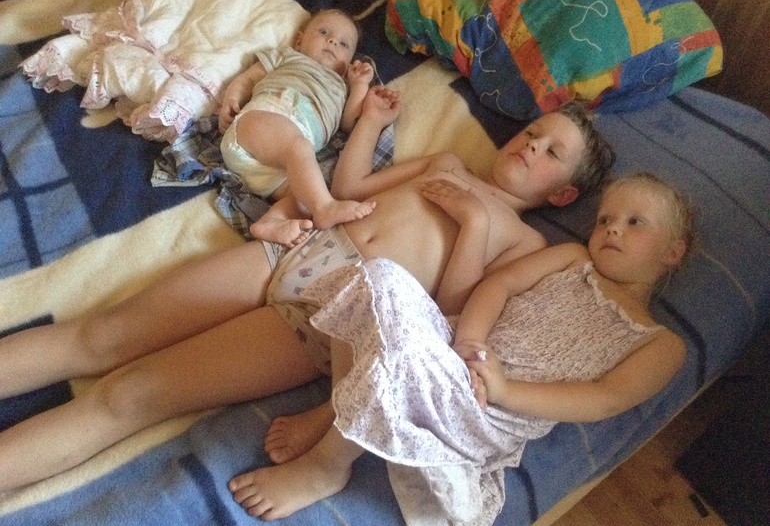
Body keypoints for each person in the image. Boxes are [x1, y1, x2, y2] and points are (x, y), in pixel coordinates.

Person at [0, 86, 613, 496]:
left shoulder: (524, 244)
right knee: (100, 335)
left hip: (329, 316)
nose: (531, 145)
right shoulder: (447, 164)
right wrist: (371, 122)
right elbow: (350, 188)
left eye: (551, 152)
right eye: (533, 132)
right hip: (294, 248)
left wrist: (474, 224)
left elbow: (449, 312)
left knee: (130, 396)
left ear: (562, 194)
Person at [226, 172, 695, 523]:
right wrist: (469, 340)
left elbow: (603, 399)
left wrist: (505, 389)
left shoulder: (659, 343)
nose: (612, 229)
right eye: (605, 219)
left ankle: (326, 466)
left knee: (403, 361)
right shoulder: (573, 259)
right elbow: (500, 285)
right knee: (377, 275)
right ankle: (340, 408)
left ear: (673, 252)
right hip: (455, 346)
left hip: (489, 410)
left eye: (635, 223)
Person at [218, 8, 376, 247]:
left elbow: (350, 123)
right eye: (324, 32)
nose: (333, 42)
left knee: (304, 197)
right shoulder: (288, 56)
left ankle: (271, 222)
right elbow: (249, 78)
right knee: (300, 150)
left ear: (349, 63)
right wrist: (232, 97)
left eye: (343, 44)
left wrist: (360, 86)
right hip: (261, 122)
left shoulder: (342, 87)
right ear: (299, 41)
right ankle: (325, 207)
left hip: (275, 166)